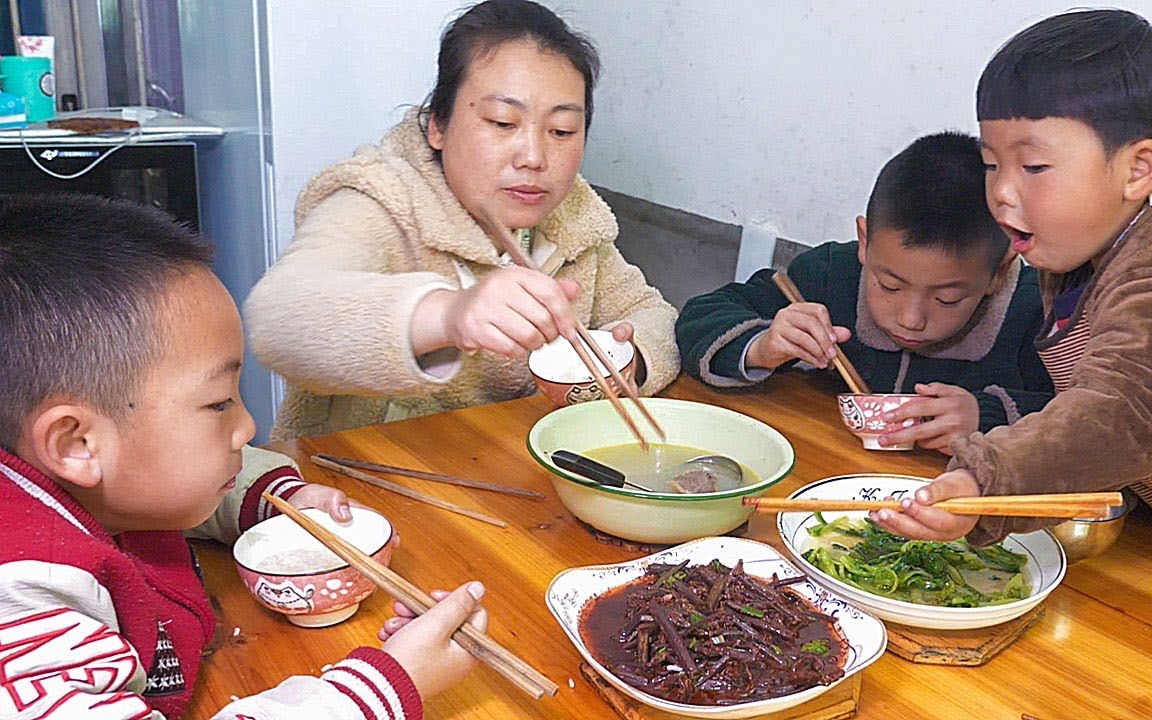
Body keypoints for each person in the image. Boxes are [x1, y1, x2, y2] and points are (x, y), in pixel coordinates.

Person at [0, 194, 486, 719]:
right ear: (75, 443)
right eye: (218, 403)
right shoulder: (26, 601)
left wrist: (280, 499)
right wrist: (384, 688)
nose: (248, 426)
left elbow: (164, 479)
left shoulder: (81, 479)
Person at [873, 10, 1152, 569]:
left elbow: (1130, 414)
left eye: (1034, 166)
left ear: (1138, 171)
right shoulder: (1083, 243)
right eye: (993, 165)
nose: (1002, 193)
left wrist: (982, 478)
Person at [246, 0, 678, 441]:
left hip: (512, 473)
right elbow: (277, 318)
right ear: (437, 125)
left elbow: (652, 315)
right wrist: (448, 314)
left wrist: (626, 359)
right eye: (502, 122)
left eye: (562, 131)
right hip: (352, 489)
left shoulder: (572, 220)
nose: (533, 157)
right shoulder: (382, 198)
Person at [677, 132, 1053, 452]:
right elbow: (698, 319)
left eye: (947, 298)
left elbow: (1089, 421)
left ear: (999, 272)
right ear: (865, 242)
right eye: (889, 285)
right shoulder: (829, 277)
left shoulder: (1037, 314)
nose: (910, 318)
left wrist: (985, 417)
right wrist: (762, 345)